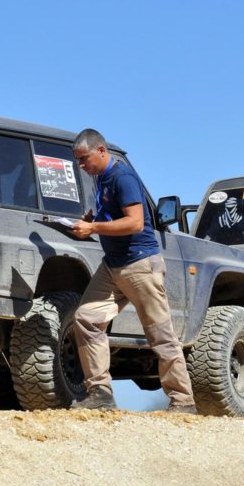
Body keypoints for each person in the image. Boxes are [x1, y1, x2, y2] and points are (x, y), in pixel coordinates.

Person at [69, 129, 197, 414]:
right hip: (113, 266)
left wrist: (94, 227)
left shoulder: (122, 177)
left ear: (101, 150)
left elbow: (135, 222)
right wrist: (94, 219)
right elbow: (114, 216)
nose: (82, 166)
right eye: (78, 161)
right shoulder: (101, 178)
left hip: (139, 265)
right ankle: (100, 393)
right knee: (86, 319)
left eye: (84, 159)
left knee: (160, 335)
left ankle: (183, 401)